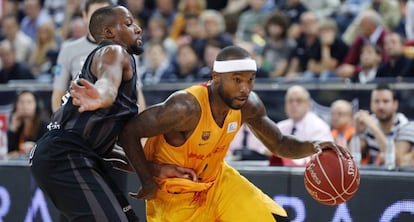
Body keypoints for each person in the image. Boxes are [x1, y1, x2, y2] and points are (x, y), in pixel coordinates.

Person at [117, 45, 349, 221]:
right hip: (175, 195)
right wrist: (148, 178)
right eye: (236, 80)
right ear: (216, 77)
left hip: (217, 183)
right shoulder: (185, 108)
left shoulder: (248, 105)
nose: (244, 88)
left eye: (250, 80)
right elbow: (128, 132)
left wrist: (315, 145)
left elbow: (279, 143)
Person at [30, 6, 158, 221]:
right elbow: (108, 82)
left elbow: (113, 151)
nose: (137, 29)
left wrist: (158, 170)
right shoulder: (114, 52)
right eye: (128, 24)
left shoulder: (117, 59)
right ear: (109, 33)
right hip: (65, 155)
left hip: (73, 155)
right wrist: (101, 95)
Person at [51, 0, 113, 112]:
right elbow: (58, 92)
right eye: (95, 14)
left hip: (115, 117)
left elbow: (137, 91)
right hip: (80, 116)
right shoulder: (69, 49)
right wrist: (57, 123)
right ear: (85, 15)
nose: (100, 20)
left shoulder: (124, 49)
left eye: (105, 15)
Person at [269, 85, 334, 166]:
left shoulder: (319, 127)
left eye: (299, 100)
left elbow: (324, 158)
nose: (294, 104)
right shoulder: (280, 127)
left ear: (308, 104)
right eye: (290, 101)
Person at [354, 83, 409, 165]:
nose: (381, 106)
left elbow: (396, 160)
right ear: (371, 104)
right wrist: (358, 132)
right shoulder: (367, 123)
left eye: (385, 101)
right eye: (376, 101)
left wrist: (373, 127)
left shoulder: (405, 125)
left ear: (395, 104)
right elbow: (351, 157)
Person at [7, 90, 48, 158]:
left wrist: (35, 147)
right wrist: (13, 129)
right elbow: (10, 152)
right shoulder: (16, 124)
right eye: (21, 102)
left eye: (29, 102)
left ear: (36, 105)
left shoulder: (44, 125)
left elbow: (48, 149)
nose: (25, 106)